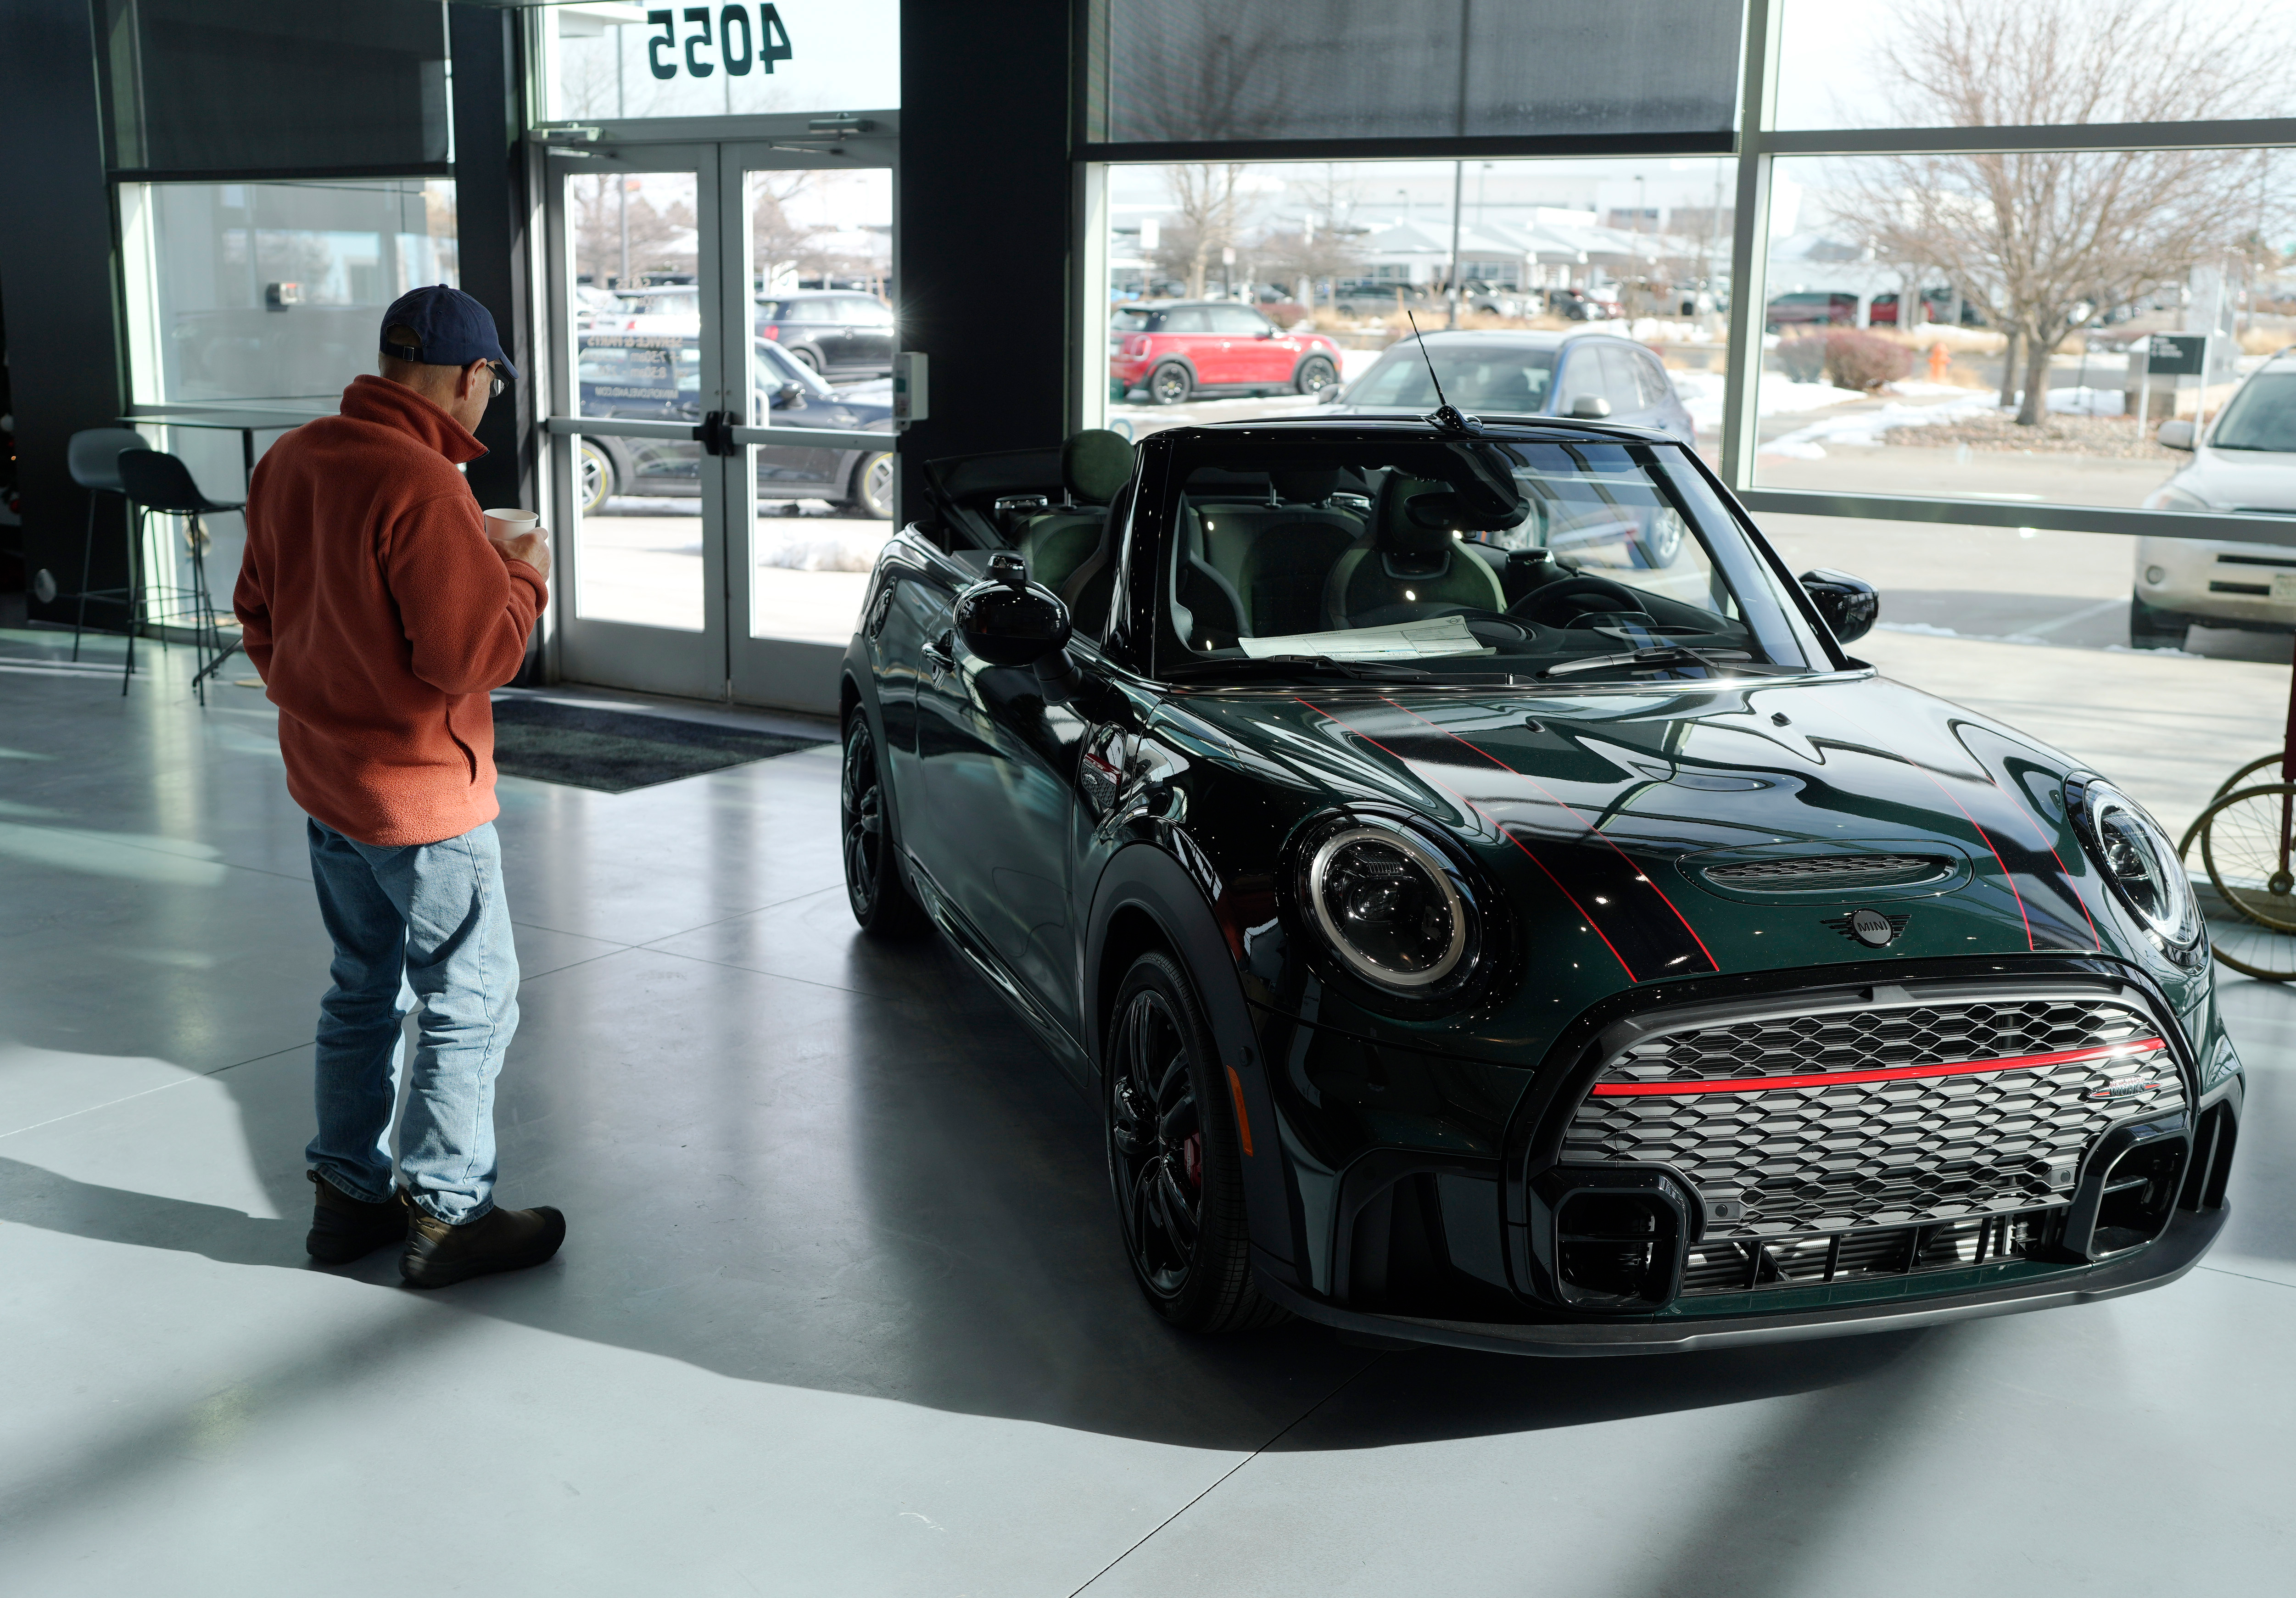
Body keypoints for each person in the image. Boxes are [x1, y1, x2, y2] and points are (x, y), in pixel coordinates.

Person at [234, 285, 565, 1288]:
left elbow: (258, 614)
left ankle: (347, 1196)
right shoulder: (422, 483)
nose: (488, 402)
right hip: (422, 803)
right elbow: (470, 658)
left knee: (362, 987)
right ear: (473, 376)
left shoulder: (292, 459)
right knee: (472, 1002)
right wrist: (525, 574)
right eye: (491, 385)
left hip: (329, 789)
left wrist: (322, 703)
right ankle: (449, 1216)